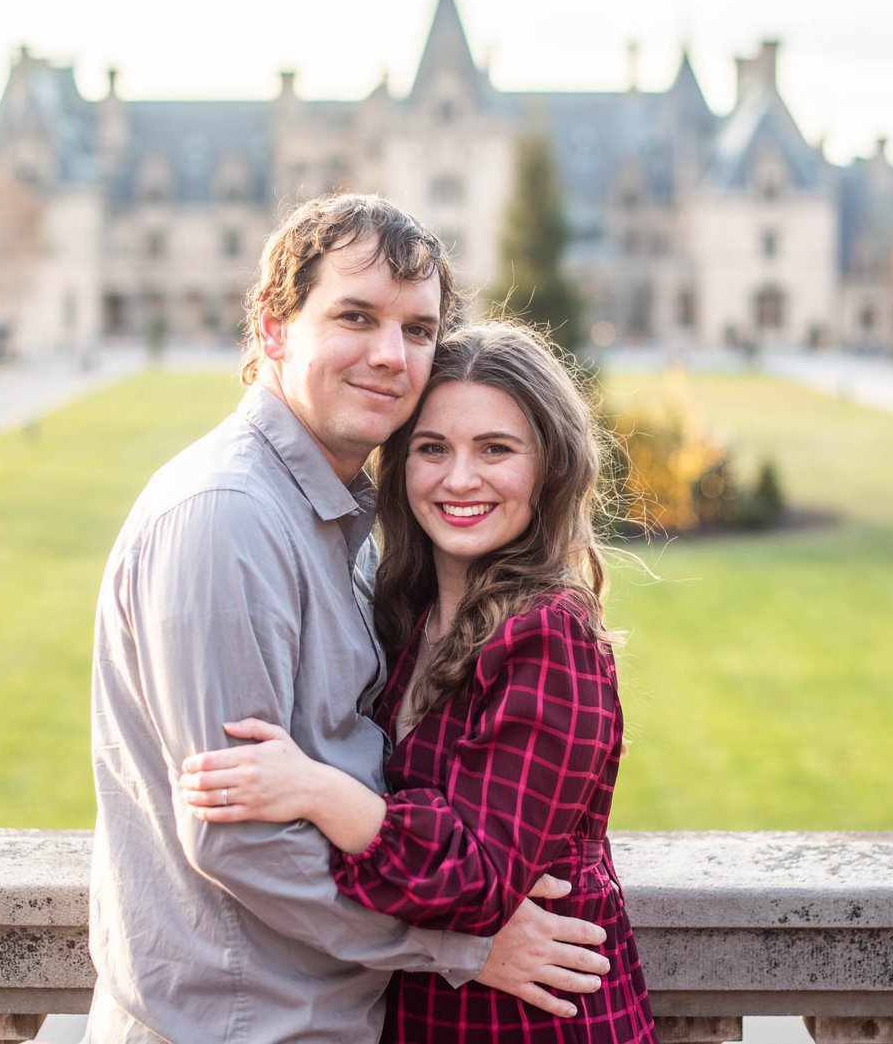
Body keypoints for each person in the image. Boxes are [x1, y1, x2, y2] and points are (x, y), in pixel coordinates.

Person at [89, 194, 611, 1044]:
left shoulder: (338, 522)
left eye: (417, 329)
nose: (390, 355)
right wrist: (459, 946)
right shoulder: (230, 516)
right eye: (356, 316)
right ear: (273, 328)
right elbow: (240, 840)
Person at [179, 322, 656, 1041]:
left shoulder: (549, 635)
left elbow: (480, 878)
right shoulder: (408, 616)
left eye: (495, 449)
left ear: (549, 468)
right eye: (433, 448)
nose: (459, 479)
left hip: (534, 1023)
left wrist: (317, 790)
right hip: (430, 1015)